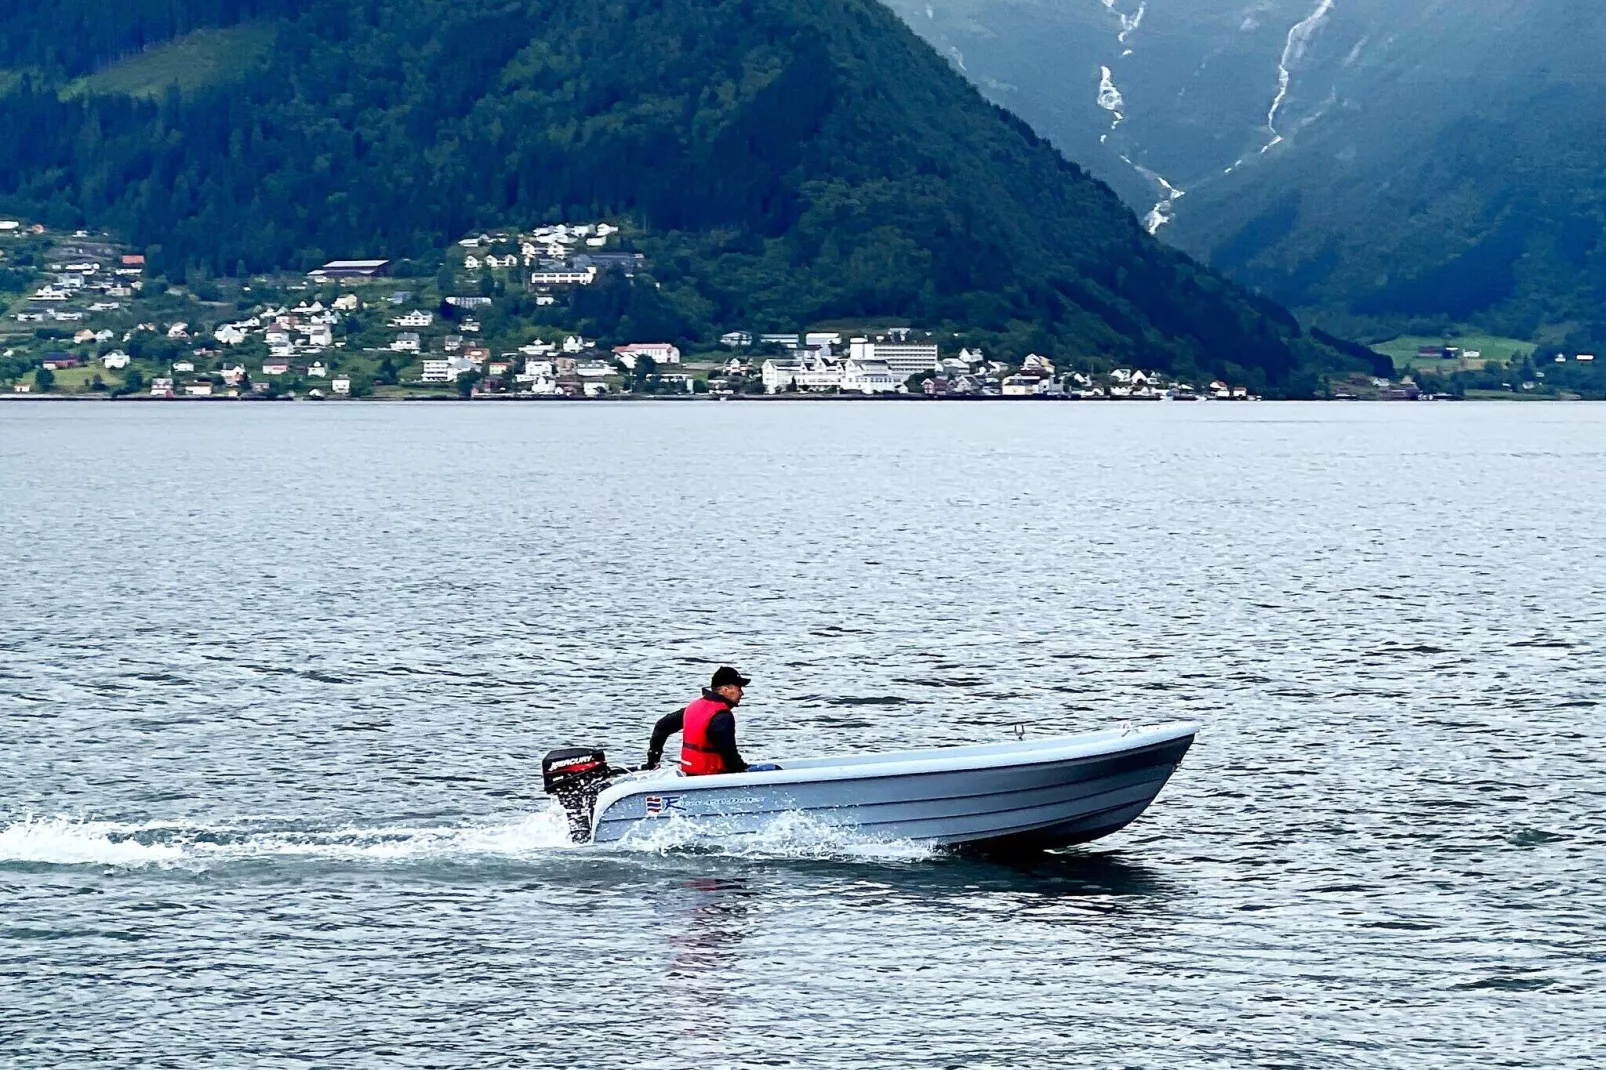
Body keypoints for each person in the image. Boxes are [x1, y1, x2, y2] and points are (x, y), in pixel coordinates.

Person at [646, 666, 780, 774]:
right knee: (775, 769)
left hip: (690, 772)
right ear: (726, 689)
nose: (742, 693)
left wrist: (654, 759)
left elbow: (662, 726)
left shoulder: (692, 708)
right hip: (712, 776)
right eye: (739, 689)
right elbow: (729, 755)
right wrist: (743, 771)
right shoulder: (723, 716)